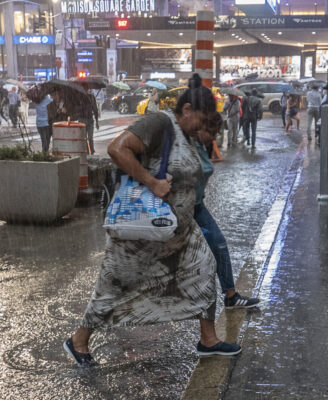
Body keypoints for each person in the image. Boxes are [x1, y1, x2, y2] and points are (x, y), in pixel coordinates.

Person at [63, 74, 241, 367]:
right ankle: (79, 340)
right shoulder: (159, 122)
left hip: (179, 232)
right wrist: (151, 182)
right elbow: (117, 148)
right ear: (187, 111)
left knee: (205, 269)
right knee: (115, 284)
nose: (202, 127)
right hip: (142, 231)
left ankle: (208, 340)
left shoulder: (185, 134)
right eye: (202, 119)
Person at [194, 112, 261, 309]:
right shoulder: (185, 144)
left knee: (219, 245)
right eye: (211, 133)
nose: (213, 138)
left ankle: (230, 296)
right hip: (183, 209)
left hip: (197, 206)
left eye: (215, 134)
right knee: (202, 256)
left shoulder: (201, 145)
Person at [85, 90, 100, 155]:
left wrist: (97, 121)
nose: (89, 90)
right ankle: (87, 152)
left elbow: (95, 109)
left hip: (90, 120)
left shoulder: (92, 97)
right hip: (82, 120)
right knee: (84, 138)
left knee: (90, 137)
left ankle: (92, 151)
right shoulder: (80, 97)